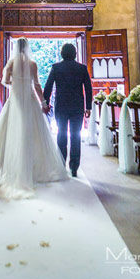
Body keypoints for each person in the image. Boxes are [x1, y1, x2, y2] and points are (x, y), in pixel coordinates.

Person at [0, 38, 68, 198]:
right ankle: (32, 168)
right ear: (27, 48)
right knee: (32, 133)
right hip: (29, 100)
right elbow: (37, 85)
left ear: (16, 48)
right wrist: (44, 102)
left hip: (15, 99)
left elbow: (5, 81)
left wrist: (15, 81)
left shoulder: (11, 63)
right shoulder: (32, 64)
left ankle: (7, 167)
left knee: (9, 133)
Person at [42, 43, 93, 178]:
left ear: (62, 54)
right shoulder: (82, 68)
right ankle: (74, 167)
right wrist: (88, 107)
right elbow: (88, 88)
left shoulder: (56, 68)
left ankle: (61, 164)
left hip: (61, 106)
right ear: (75, 54)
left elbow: (48, 86)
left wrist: (45, 103)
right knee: (76, 135)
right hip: (77, 106)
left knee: (61, 134)